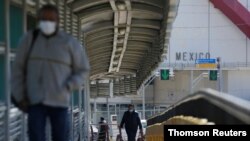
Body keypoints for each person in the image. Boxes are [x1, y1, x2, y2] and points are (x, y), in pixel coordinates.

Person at [11, 4, 90, 141]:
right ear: (38, 20)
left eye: (51, 19)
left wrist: (69, 85)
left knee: (60, 137)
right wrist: (19, 96)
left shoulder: (69, 42)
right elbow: (18, 69)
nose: (47, 22)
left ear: (58, 21)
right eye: (44, 19)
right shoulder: (29, 40)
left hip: (59, 101)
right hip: (35, 100)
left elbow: (83, 69)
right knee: (36, 137)